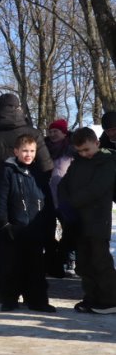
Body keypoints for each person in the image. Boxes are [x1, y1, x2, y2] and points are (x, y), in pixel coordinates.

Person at [0, 93, 53, 295]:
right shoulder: (33, 133)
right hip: (30, 199)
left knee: (3, 251)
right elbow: (46, 168)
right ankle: (33, 292)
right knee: (33, 251)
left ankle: (5, 292)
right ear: (19, 109)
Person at [0, 134, 56, 313]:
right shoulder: (8, 170)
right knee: (12, 265)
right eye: (25, 151)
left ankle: (37, 299)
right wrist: (4, 224)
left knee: (36, 266)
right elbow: (0, 200)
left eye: (32, 151)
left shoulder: (38, 172)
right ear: (16, 151)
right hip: (15, 226)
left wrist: (48, 223)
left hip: (35, 227)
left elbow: (46, 199)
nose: (28, 154)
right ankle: (10, 298)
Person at [58, 127, 116, 314]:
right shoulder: (78, 163)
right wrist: (64, 203)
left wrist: (72, 203)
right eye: (80, 151)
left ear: (96, 144)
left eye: (87, 150)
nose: (84, 154)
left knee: (100, 261)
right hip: (79, 221)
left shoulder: (107, 162)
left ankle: (109, 299)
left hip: (98, 219)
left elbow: (97, 189)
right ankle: (91, 297)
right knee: (83, 262)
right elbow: (63, 184)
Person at [44, 119, 76, 276]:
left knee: (69, 230)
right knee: (48, 231)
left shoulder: (72, 148)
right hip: (47, 196)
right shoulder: (43, 148)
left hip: (66, 197)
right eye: (50, 131)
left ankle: (70, 259)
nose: (52, 134)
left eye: (56, 131)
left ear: (64, 132)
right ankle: (52, 264)